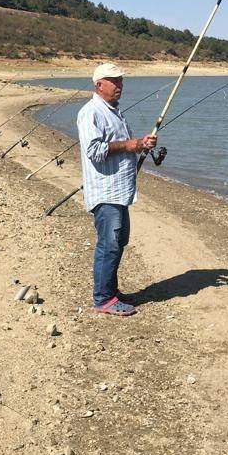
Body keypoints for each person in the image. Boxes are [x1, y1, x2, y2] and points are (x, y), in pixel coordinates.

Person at [77, 63, 158, 317]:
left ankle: (110, 291)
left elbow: (124, 146)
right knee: (109, 244)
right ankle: (102, 299)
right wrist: (129, 145)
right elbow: (95, 151)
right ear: (99, 84)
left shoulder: (114, 112)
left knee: (119, 241)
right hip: (105, 192)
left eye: (121, 81)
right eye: (114, 81)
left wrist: (141, 144)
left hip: (121, 190)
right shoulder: (91, 112)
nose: (119, 86)